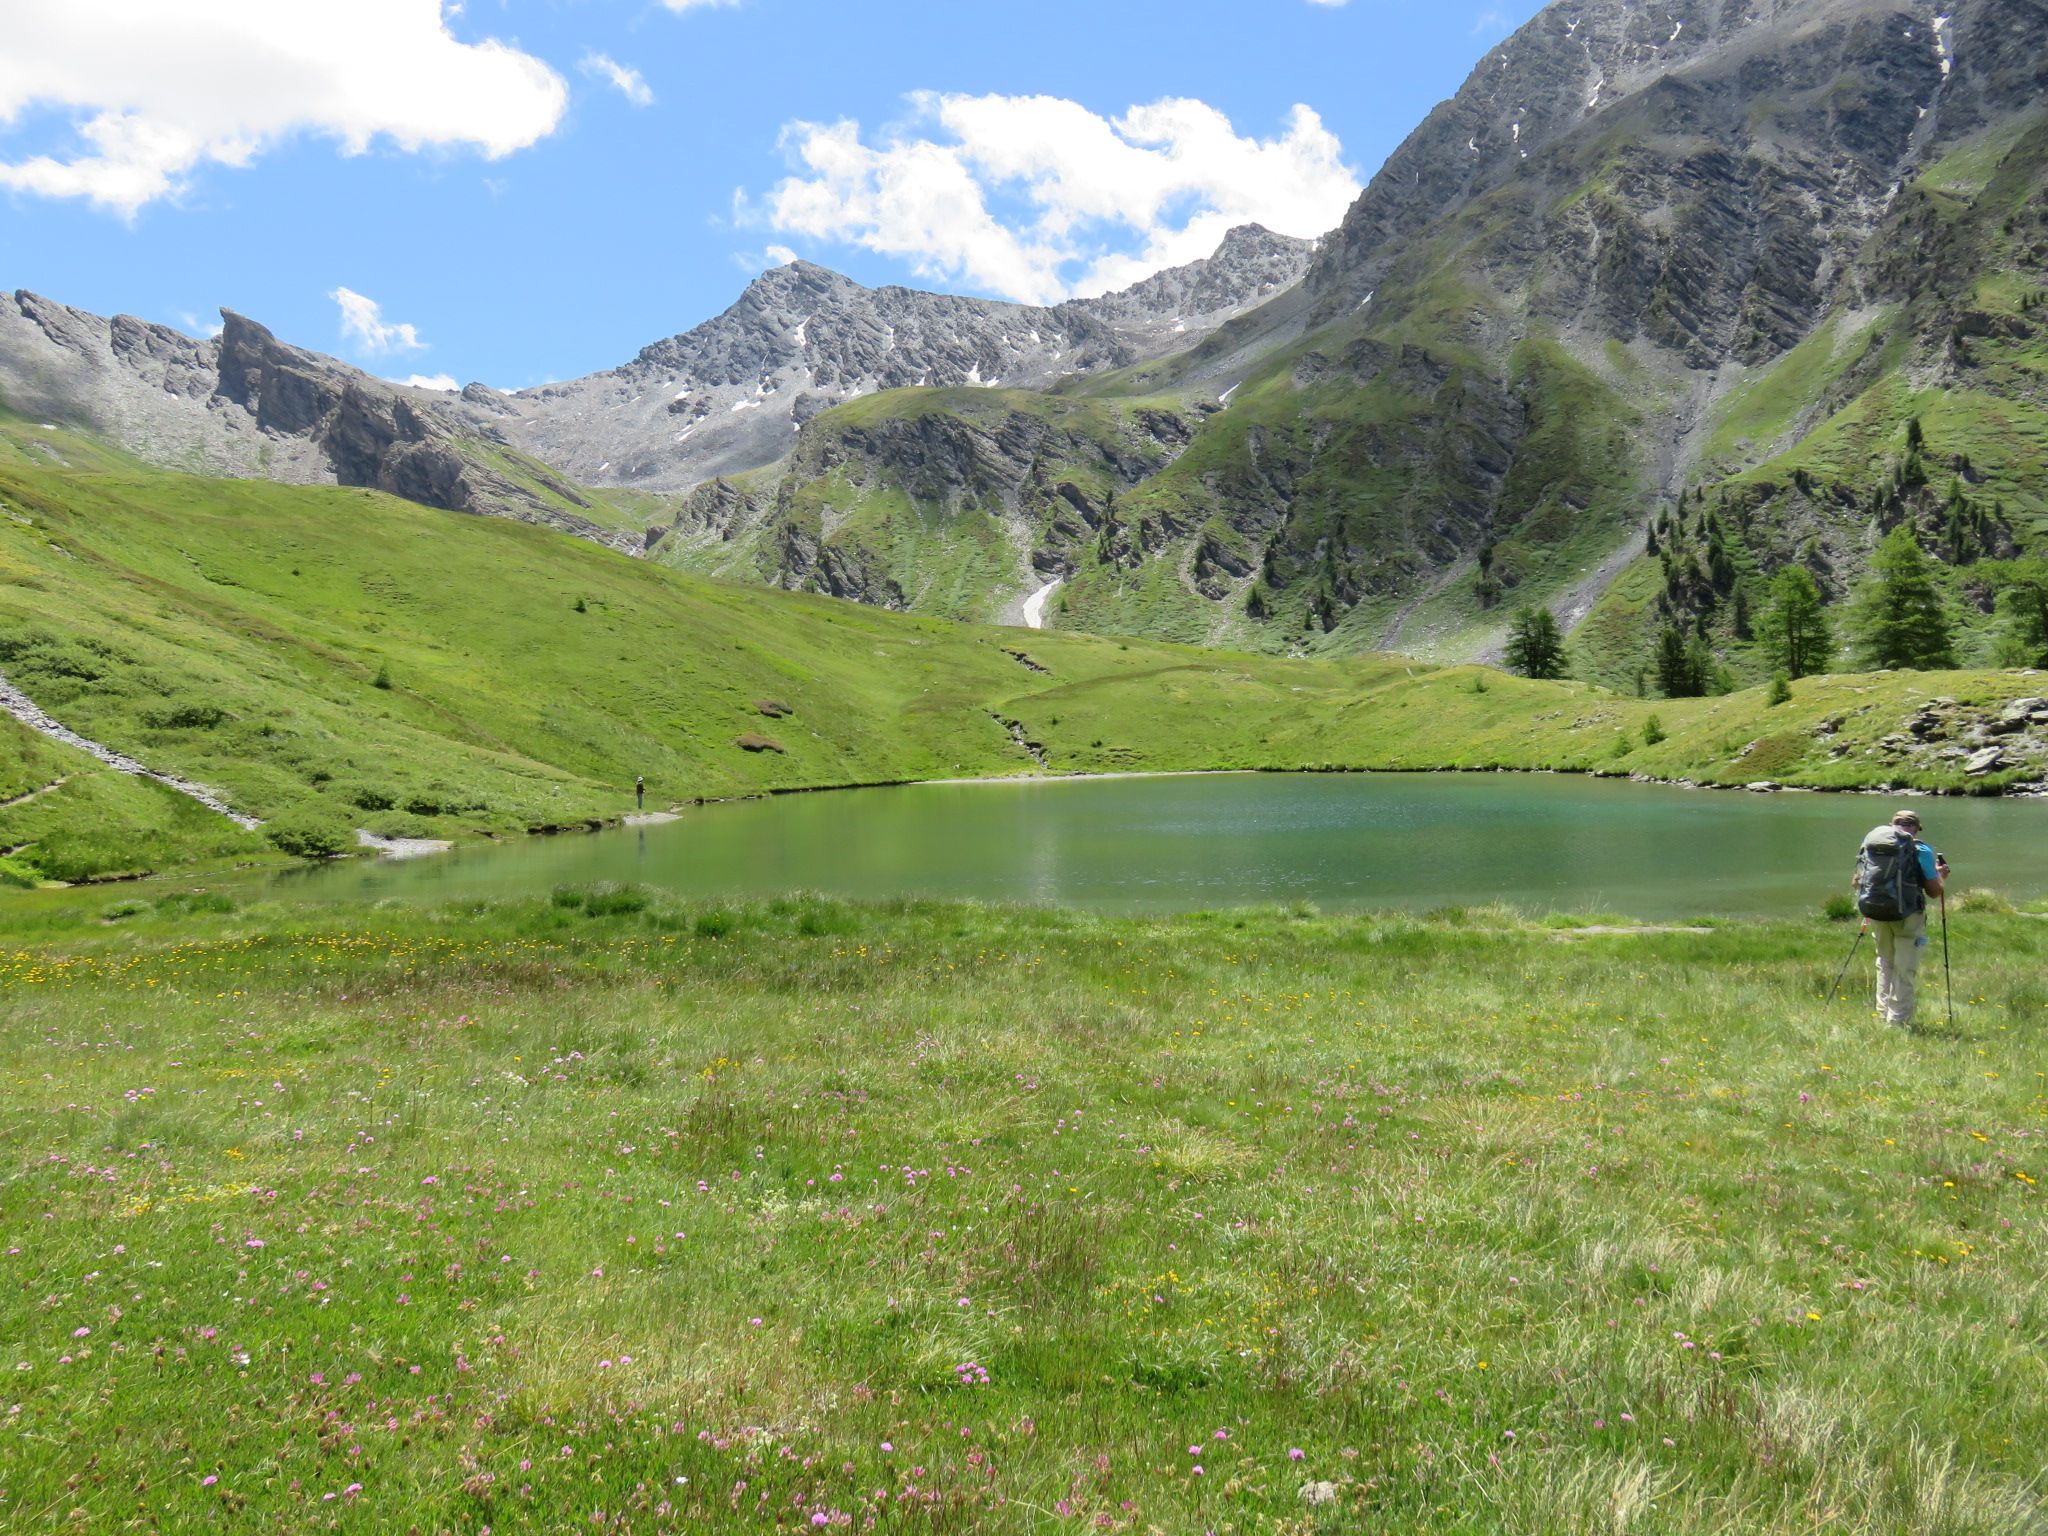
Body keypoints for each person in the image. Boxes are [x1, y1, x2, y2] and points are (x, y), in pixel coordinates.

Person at [1857, 809, 1947, 1028]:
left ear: (1892, 824)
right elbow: (1934, 892)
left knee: (1885, 962)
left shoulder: (1873, 845)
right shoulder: (1920, 849)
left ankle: (1881, 1014)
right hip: (1908, 915)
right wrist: (1941, 875)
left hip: (1877, 912)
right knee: (1904, 967)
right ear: (1916, 829)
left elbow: (1856, 881)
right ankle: (1897, 1022)